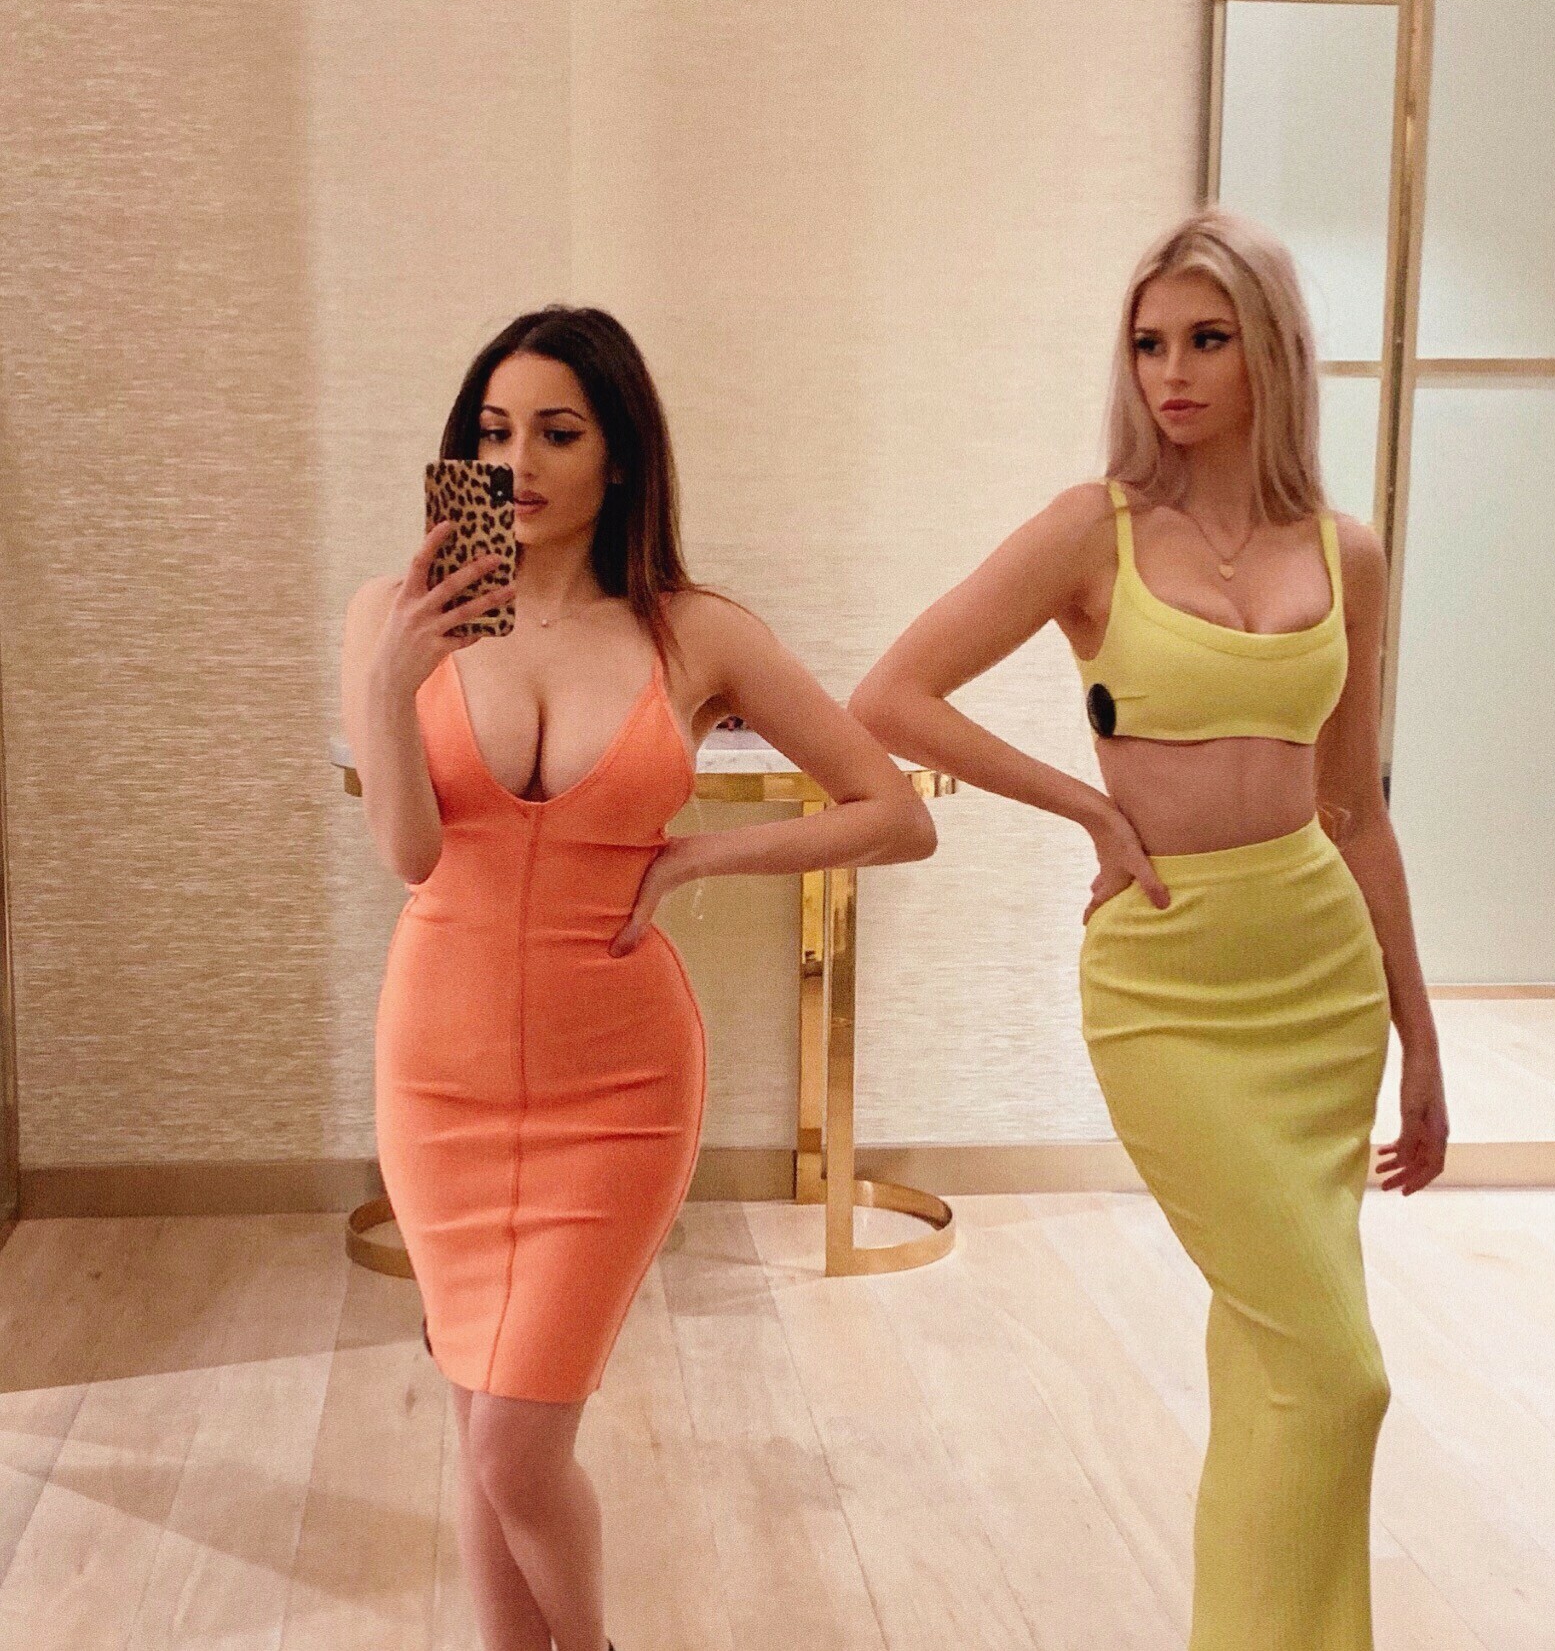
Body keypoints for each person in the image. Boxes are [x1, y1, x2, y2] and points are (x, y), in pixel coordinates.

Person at [849, 206, 1448, 1651]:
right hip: (1168, 987)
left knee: (1273, 1369)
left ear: (1271, 352)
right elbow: (891, 696)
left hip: (1318, 983)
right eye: (1148, 343)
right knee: (1340, 1373)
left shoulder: (1347, 555)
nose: (1170, 372)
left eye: (1205, 339)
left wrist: (1422, 1043)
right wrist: (1090, 810)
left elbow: (1356, 810)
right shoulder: (1094, 530)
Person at [340, 304, 936, 1651]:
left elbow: (894, 811)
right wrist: (391, 681)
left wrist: (700, 858)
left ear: (620, 454)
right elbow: (410, 853)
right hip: (437, 1077)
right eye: (494, 432)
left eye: (559, 432)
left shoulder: (693, 631)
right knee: (477, 1421)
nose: (518, 463)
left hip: (616, 1087)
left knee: (515, 1447)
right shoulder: (392, 616)